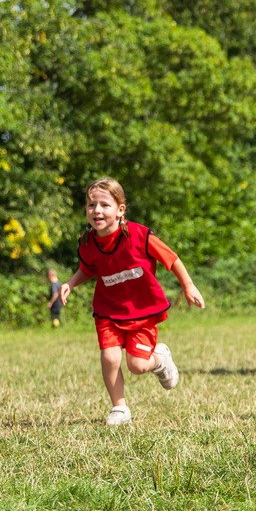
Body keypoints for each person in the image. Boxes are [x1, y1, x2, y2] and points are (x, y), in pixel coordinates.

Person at [58, 178, 205, 426]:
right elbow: (88, 268)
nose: (97, 210)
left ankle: (160, 359)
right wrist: (70, 283)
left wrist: (188, 285)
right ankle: (119, 407)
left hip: (142, 310)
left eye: (105, 204)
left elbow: (172, 258)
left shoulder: (139, 235)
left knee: (137, 365)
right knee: (110, 358)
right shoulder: (87, 243)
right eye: (91, 205)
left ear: (120, 210)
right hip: (108, 310)